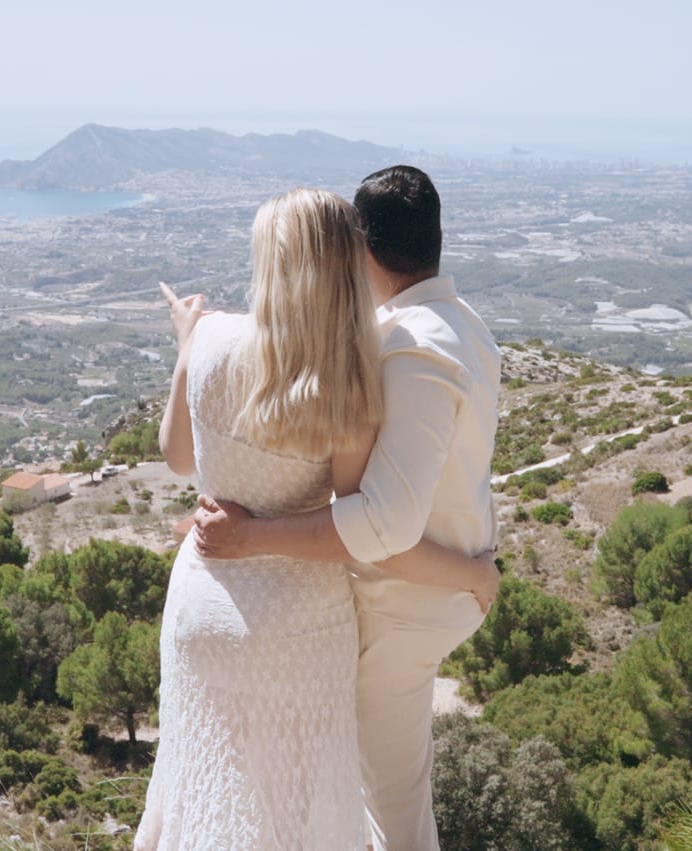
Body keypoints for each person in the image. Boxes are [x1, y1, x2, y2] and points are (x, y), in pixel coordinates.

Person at [137, 187, 495, 851]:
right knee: (297, 812)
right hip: (300, 625)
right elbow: (362, 528)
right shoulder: (345, 382)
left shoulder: (210, 335)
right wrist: (472, 572)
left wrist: (188, 342)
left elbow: (179, 459)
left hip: (203, 600)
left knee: (202, 788)